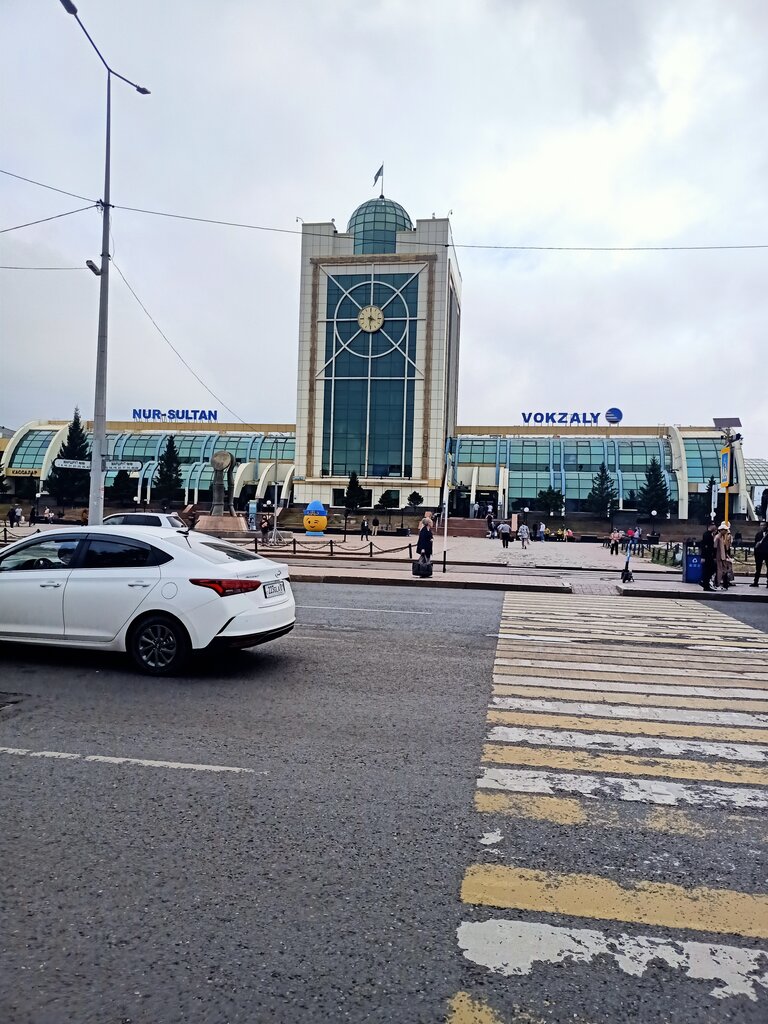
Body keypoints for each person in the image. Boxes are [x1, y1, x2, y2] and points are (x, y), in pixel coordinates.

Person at [700, 523, 717, 591]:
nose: (715, 527)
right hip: (707, 556)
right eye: (714, 526)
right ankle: (705, 584)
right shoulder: (707, 535)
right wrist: (703, 557)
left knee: (710, 569)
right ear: (711, 526)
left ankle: (705, 583)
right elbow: (705, 546)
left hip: (709, 555)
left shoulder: (710, 534)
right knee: (708, 570)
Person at [751, 522, 768, 588]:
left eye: (763, 525)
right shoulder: (758, 534)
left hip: (767, 554)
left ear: (766, 526)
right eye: (761, 525)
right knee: (758, 568)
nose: (762, 526)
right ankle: (756, 582)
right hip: (759, 554)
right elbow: (755, 544)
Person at [714, 522, 730, 590]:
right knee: (719, 571)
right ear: (722, 530)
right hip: (718, 556)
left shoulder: (722, 537)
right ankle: (717, 584)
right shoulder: (717, 537)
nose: (726, 531)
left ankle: (719, 584)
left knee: (723, 571)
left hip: (722, 556)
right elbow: (714, 547)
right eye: (725, 530)